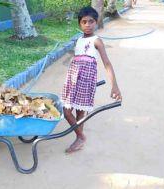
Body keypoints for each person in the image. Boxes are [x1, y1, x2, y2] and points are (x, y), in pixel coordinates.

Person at [61, 6, 122, 154]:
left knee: (80, 112)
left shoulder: (97, 41)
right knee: (67, 111)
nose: (88, 25)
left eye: (91, 21)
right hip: (73, 79)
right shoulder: (79, 40)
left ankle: (79, 139)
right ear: (79, 24)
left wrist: (115, 86)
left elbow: (107, 63)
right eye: (84, 22)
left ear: (96, 22)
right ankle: (81, 136)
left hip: (86, 80)